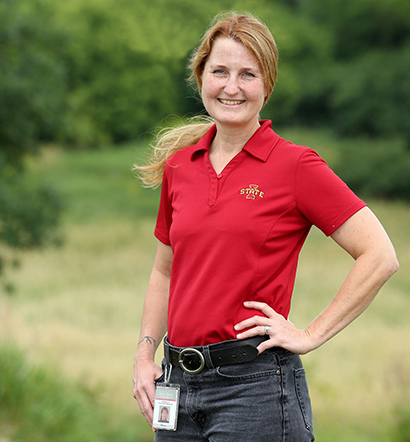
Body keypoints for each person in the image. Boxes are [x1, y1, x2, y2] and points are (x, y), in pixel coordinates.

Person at [132, 11, 399, 442]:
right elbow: (165, 270)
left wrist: (310, 334)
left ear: (267, 84)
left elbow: (380, 256)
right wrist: (145, 355)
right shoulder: (180, 165)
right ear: (201, 76)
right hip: (177, 388)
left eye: (247, 74)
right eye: (219, 71)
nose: (231, 86)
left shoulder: (296, 166)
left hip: (253, 391)